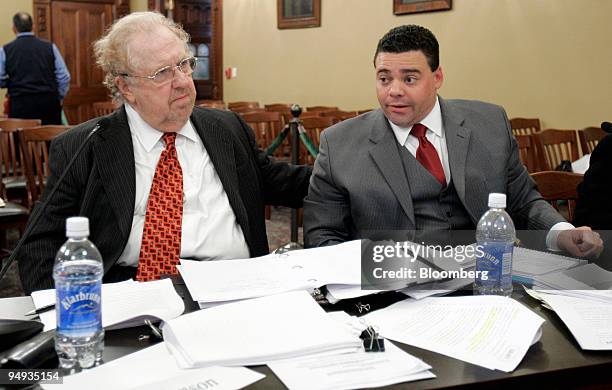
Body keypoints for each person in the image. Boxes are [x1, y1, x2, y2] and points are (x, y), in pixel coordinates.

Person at [18, 12, 311, 294]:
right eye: (163, 73)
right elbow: (39, 245)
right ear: (126, 86)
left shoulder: (227, 129)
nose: (183, 81)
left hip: (235, 286)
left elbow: (282, 181)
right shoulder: (85, 146)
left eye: (184, 64)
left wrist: (348, 164)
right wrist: (68, 316)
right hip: (134, 294)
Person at [304, 24, 602, 259]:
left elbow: (523, 200)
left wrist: (560, 231)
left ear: (437, 77)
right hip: (391, 293)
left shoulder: (490, 124)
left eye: (409, 79)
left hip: (487, 282)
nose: (393, 91)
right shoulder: (338, 144)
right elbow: (322, 237)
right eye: (384, 78)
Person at [0, 12, 70, 125]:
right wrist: (59, 96)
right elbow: (64, 77)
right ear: (33, 27)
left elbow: (0, 78)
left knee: (22, 141)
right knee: (52, 140)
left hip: (20, 106)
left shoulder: (5, 50)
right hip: (48, 104)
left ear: (14, 28)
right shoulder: (50, 47)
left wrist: (8, 83)